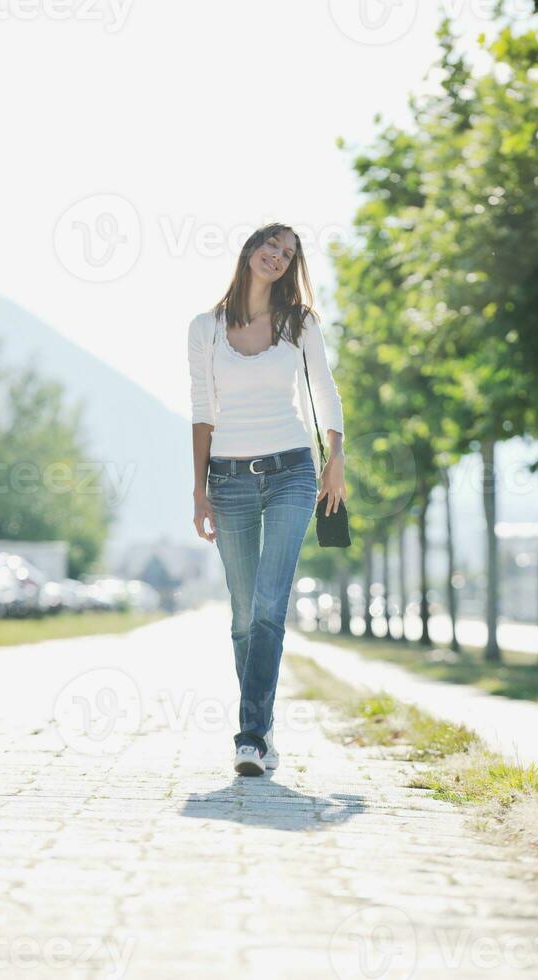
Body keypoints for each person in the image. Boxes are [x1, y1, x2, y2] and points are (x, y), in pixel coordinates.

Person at [187, 223, 346, 776]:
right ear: (250, 250)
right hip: (227, 478)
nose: (277, 257)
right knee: (242, 614)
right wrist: (200, 490)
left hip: (292, 472)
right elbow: (201, 409)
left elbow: (324, 387)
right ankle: (265, 723)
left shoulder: (299, 324)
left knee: (270, 607)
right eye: (270, 246)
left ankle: (249, 736)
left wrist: (335, 459)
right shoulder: (205, 328)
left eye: (289, 253)